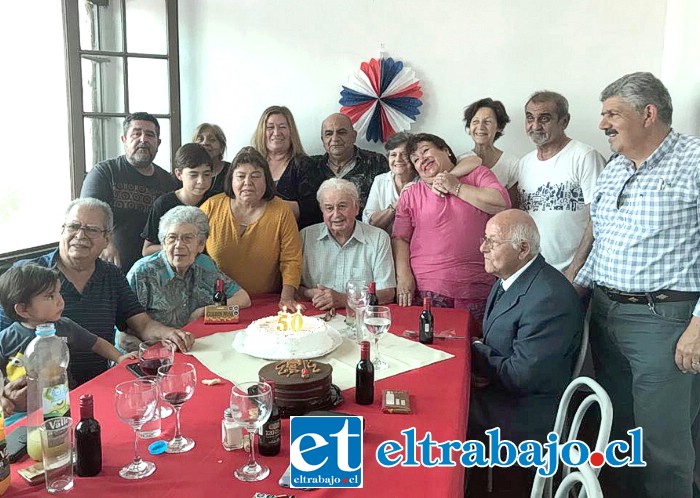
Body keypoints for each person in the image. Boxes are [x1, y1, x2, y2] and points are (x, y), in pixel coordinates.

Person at [574, 72, 700, 498]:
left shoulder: (694, 161)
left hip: (663, 321)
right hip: (607, 312)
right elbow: (603, 238)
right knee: (619, 432)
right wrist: (573, 287)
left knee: (662, 444)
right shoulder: (614, 167)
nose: (603, 124)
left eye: (612, 114)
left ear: (648, 114)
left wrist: (699, 326)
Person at [0, 198, 195, 385]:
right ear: (62, 230)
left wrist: (169, 334)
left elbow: (142, 325)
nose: (80, 235)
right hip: (35, 391)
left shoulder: (111, 275)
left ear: (107, 239)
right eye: (74, 226)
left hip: (100, 383)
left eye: (91, 229)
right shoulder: (30, 275)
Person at [468, 210, 583, 497]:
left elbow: (521, 377)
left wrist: (477, 352)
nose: (482, 247)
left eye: (491, 242)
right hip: (504, 391)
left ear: (522, 249)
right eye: (484, 239)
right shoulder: (509, 279)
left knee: (442, 416)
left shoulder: (548, 297)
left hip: (525, 413)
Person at [392, 133, 510, 322]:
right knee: (429, 348)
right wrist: (403, 276)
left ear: (446, 151)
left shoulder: (477, 174)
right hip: (427, 288)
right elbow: (400, 238)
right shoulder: (412, 193)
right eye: (415, 159)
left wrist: (455, 187)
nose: (422, 160)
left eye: (425, 151)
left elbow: (501, 203)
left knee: (473, 348)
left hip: (476, 286)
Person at [0, 264, 135, 416]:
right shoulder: (5, 339)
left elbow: (96, 343)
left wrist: (119, 357)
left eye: (59, 293)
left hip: (65, 400)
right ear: (23, 310)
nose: (60, 301)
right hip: (21, 412)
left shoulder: (65, 326)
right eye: (50, 296)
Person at [126, 206, 250, 351]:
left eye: (187, 238)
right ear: (164, 243)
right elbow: (125, 334)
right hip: (151, 353)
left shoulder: (205, 266)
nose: (179, 245)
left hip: (193, 347)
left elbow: (243, 298)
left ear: (201, 244)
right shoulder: (142, 273)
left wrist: (205, 311)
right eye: (172, 238)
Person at [199, 147, 302, 310]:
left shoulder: (281, 211)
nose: (248, 182)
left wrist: (287, 297)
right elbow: (193, 251)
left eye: (255, 176)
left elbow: (291, 260)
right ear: (231, 180)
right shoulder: (211, 207)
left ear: (266, 180)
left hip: (267, 301)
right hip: (218, 302)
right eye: (241, 176)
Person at [514, 91, 605, 275]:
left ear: (564, 121)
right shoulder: (524, 164)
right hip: (534, 274)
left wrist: (574, 271)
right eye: (530, 118)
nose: (535, 126)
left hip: (576, 274)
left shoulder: (584, 157)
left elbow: (599, 218)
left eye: (544, 119)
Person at [80, 112, 179, 272]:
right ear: (124, 140)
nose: (143, 139)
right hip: (108, 270)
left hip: (155, 274)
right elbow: (86, 215)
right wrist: (107, 243)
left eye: (149, 135)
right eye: (136, 133)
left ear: (158, 142)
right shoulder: (105, 173)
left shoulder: (168, 182)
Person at [300, 179, 396, 310]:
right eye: (329, 208)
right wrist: (310, 293)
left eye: (342, 206)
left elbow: (387, 293)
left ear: (356, 208)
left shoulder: (378, 238)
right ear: (322, 210)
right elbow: (292, 287)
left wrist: (345, 299)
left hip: (360, 318)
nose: (336, 214)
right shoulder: (305, 237)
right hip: (314, 316)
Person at [305, 113, 390, 226]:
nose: (335, 138)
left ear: (353, 136)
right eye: (329, 134)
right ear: (323, 140)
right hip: (320, 237)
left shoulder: (376, 162)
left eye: (341, 132)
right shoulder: (310, 166)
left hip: (367, 236)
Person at [141, 143, 214, 256]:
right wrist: (176, 246)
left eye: (206, 174)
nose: (201, 181)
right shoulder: (163, 204)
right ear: (179, 174)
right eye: (193, 175)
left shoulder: (215, 202)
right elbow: (147, 250)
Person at [252, 105, 317, 225]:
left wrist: (264, 205)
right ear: (262, 132)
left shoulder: (304, 165)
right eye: (270, 127)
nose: (276, 133)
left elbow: (311, 209)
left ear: (291, 132)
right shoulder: (252, 164)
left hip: (294, 234)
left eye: (282, 127)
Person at [460, 98, 520, 200]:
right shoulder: (460, 160)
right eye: (475, 121)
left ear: (499, 127)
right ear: (469, 127)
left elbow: (512, 205)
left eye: (487, 122)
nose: (480, 126)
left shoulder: (512, 163)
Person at [362, 132, 418, 233]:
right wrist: (397, 204)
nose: (398, 159)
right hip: (385, 243)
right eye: (393, 155)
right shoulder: (380, 181)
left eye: (404, 154)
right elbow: (369, 224)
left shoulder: (422, 181)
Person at [192, 123, 231, 197]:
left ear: (221, 147)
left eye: (212, 140)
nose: (205, 143)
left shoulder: (231, 171)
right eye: (200, 139)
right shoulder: (186, 171)